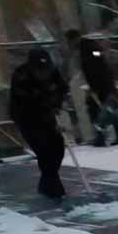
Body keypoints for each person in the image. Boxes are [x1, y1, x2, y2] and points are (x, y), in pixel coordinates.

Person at [10, 48, 70, 200]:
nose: (43, 73)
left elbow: (63, 88)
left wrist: (56, 103)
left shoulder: (52, 70)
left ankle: (46, 184)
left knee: (58, 148)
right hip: (27, 118)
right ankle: (54, 190)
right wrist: (46, 101)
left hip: (48, 116)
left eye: (46, 68)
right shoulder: (21, 74)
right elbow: (25, 99)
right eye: (40, 69)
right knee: (44, 152)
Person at [66, 29, 118, 147]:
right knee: (108, 110)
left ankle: (101, 137)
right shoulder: (86, 48)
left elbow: (97, 65)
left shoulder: (89, 48)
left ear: (74, 39)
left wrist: (94, 87)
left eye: (69, 42)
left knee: (97, 110)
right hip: (102, 84)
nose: (69, 45)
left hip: (102, 84)